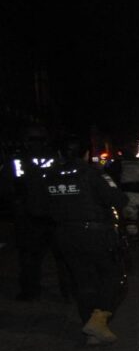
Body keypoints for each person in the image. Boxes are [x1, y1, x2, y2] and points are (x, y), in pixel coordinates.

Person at [36, 136, 128, 344]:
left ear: (58, 154)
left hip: (65, 235)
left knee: (83, 280)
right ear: (87, 153)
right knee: (114, 277)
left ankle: (91, 327)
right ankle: (99, 317)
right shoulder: (93, 174)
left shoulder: (48, 177)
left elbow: (38, 207)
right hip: (96, 234)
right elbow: (119, 199)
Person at [1, 126, 67, 301]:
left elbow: (5, 187)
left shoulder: (16, 160)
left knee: (30, 256)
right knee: (60, 256)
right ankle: (67, 291)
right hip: (50, 214)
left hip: (29, 215)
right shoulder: (56, 159)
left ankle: (31, 291)